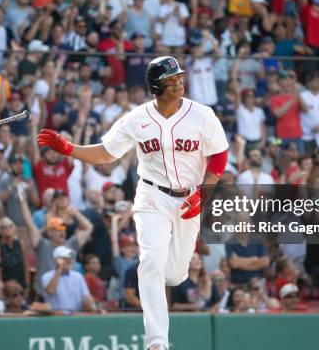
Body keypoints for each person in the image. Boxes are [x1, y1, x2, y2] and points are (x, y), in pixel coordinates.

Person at [37, 56, 228, 350]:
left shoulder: (201, 115)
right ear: (156, 85)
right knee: (150, 262)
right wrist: (70, 149)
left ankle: (157, 278)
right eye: (171, 79)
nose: (179, 82)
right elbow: (106, 153)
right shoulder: (136, 118)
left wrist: (203, 194)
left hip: (190, 195)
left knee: (175, 274)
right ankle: (157, 342)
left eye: (179, 77)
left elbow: (219, 155)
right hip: (152, 195)